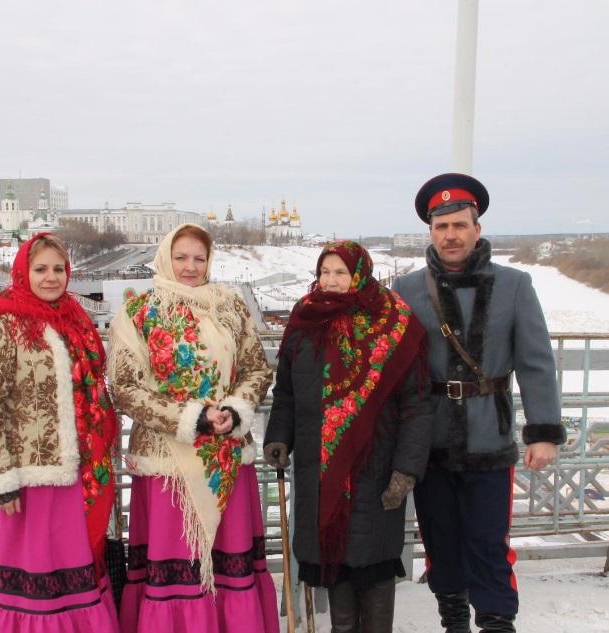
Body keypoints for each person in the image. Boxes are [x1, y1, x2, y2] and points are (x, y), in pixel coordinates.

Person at [392, 174, 566, 633]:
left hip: (490, 434)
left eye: (460, 225)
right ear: (430, 232)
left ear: (477, 228)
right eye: (441, 227)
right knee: (440, 542)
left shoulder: (514, 285)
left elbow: (535, 361)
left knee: (489, 542)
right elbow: (389, 366)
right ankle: (453, 620)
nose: (451, 235)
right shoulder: (407, 290)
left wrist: (544, 432)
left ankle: (496, 622)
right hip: (428, 439)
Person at [107, 223, 278, 633]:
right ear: (166, 256)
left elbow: (256, 367)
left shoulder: (230, 306)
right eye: (181, 257)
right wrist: (190, 418)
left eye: (198, 259)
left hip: (228, 457)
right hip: (168, 463)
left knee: (228, 562)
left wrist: (235, 411)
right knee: (176, 570)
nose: (190, 267)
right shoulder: (139, 311)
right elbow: (125, 387)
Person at [264, 240, 434, 633]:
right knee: (333, 564)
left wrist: (406, 470)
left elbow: (417, 405)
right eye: (325, 272)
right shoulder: (305, 318)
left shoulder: (393, 323)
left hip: (374, 469)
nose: (331, 281)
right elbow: (286, 390)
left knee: (373, 570)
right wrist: (279, 437)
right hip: (318, 471)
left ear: (360, 273)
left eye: (340, 272)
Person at [0, 233, 120, 632]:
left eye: (59, 269)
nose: (51, 278)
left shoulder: (75, 319)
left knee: (79, 571)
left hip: (83, 474)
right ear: (22, 272)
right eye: (40, 269)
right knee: (37, 579)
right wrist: (0, 479)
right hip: (31, 479)